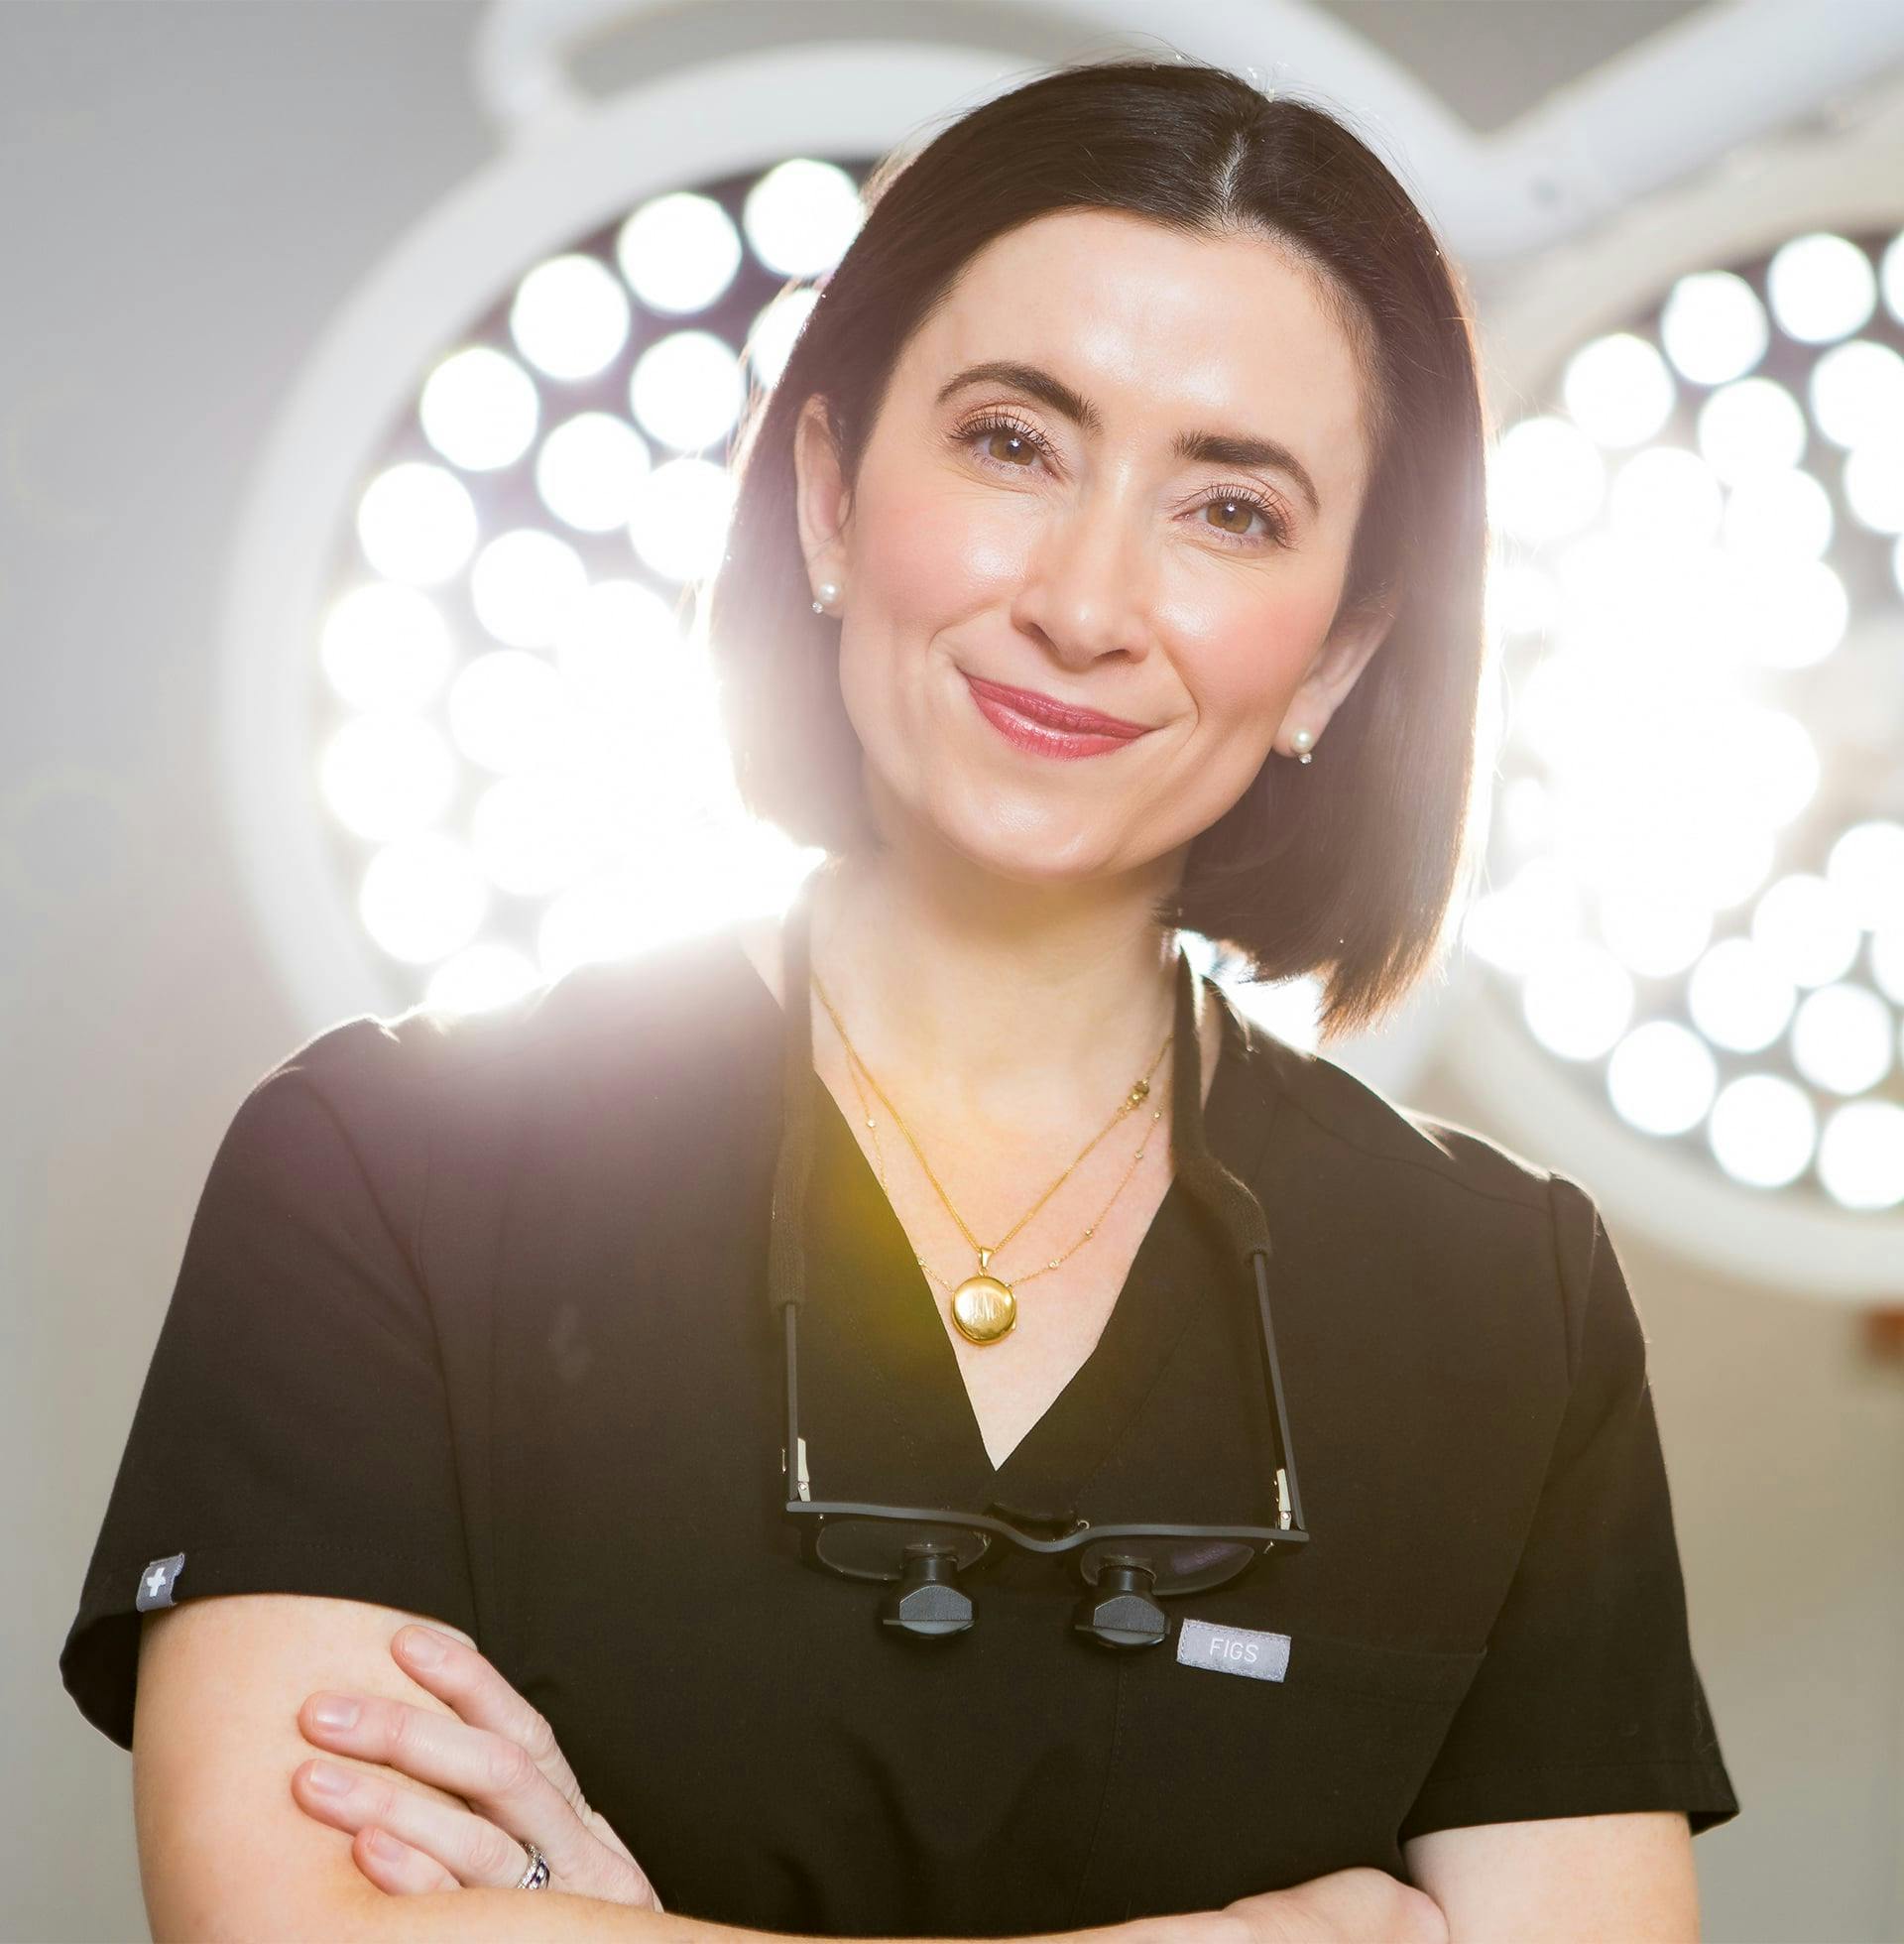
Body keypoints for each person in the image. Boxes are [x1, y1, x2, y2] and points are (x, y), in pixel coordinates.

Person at [60, 52, 1738, 1942]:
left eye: (1233, 512)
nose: (1089, 601)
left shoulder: (1506, 1304)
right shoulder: (385, 1173)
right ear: (832, 498)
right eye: (1016, 442)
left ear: (1343, 657)